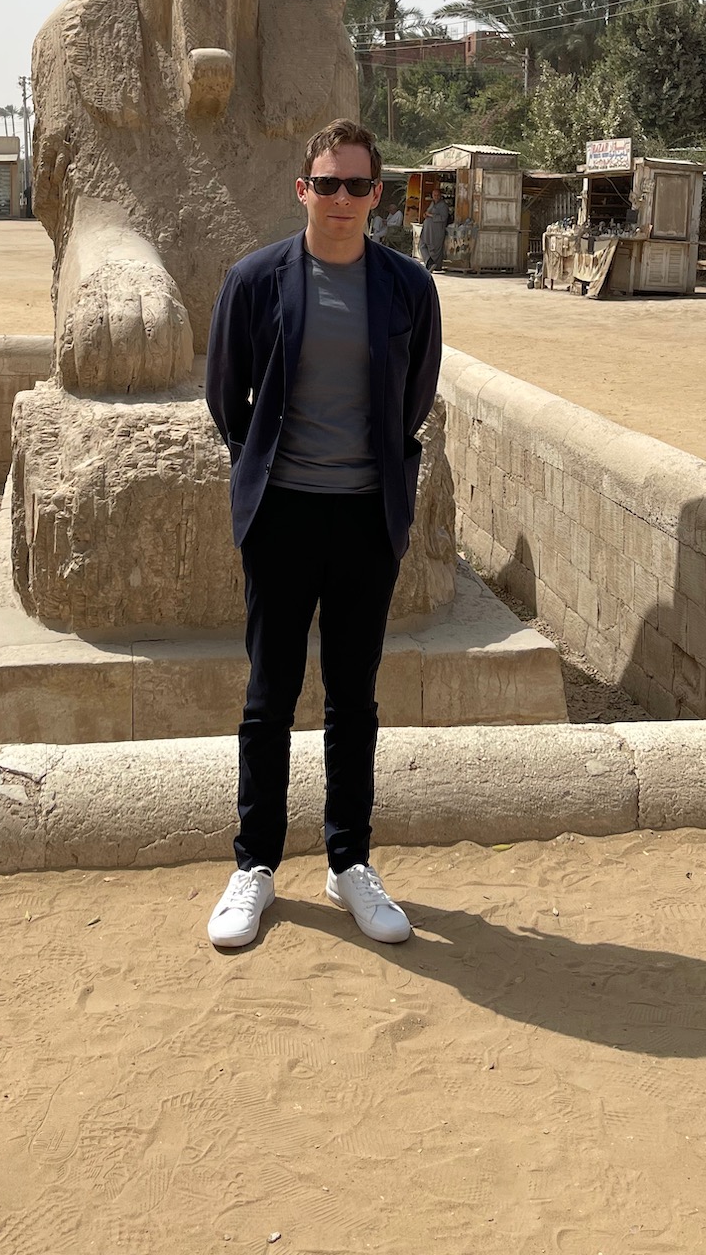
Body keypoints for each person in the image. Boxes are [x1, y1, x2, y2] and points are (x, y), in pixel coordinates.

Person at [203, 118, 442, 951]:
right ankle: (255, 866)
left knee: (353, 699)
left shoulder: (408, 288)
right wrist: (269, 469)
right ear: (302, 189)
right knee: (269, 697)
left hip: (365, 517)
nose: (342, 200)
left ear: (378, 195)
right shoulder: (256, 280)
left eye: (358, 186)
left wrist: (364, 471)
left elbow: (413, 399)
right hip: (282, 513)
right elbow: (225, 396)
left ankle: (349, 863)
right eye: (327, 183)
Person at [419, 190, 450, 271]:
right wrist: (426, 214)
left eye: (437, 195)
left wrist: (431, 215)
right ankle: (429, 262)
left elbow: (443, 217)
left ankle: (434, 266)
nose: (436, 197)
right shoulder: (432, 203)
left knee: (435, 248)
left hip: (437, 230)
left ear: (440, 196)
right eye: (434, 195)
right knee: (422, 245)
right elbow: (428, 212)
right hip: (427, 229)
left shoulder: (443, 206)